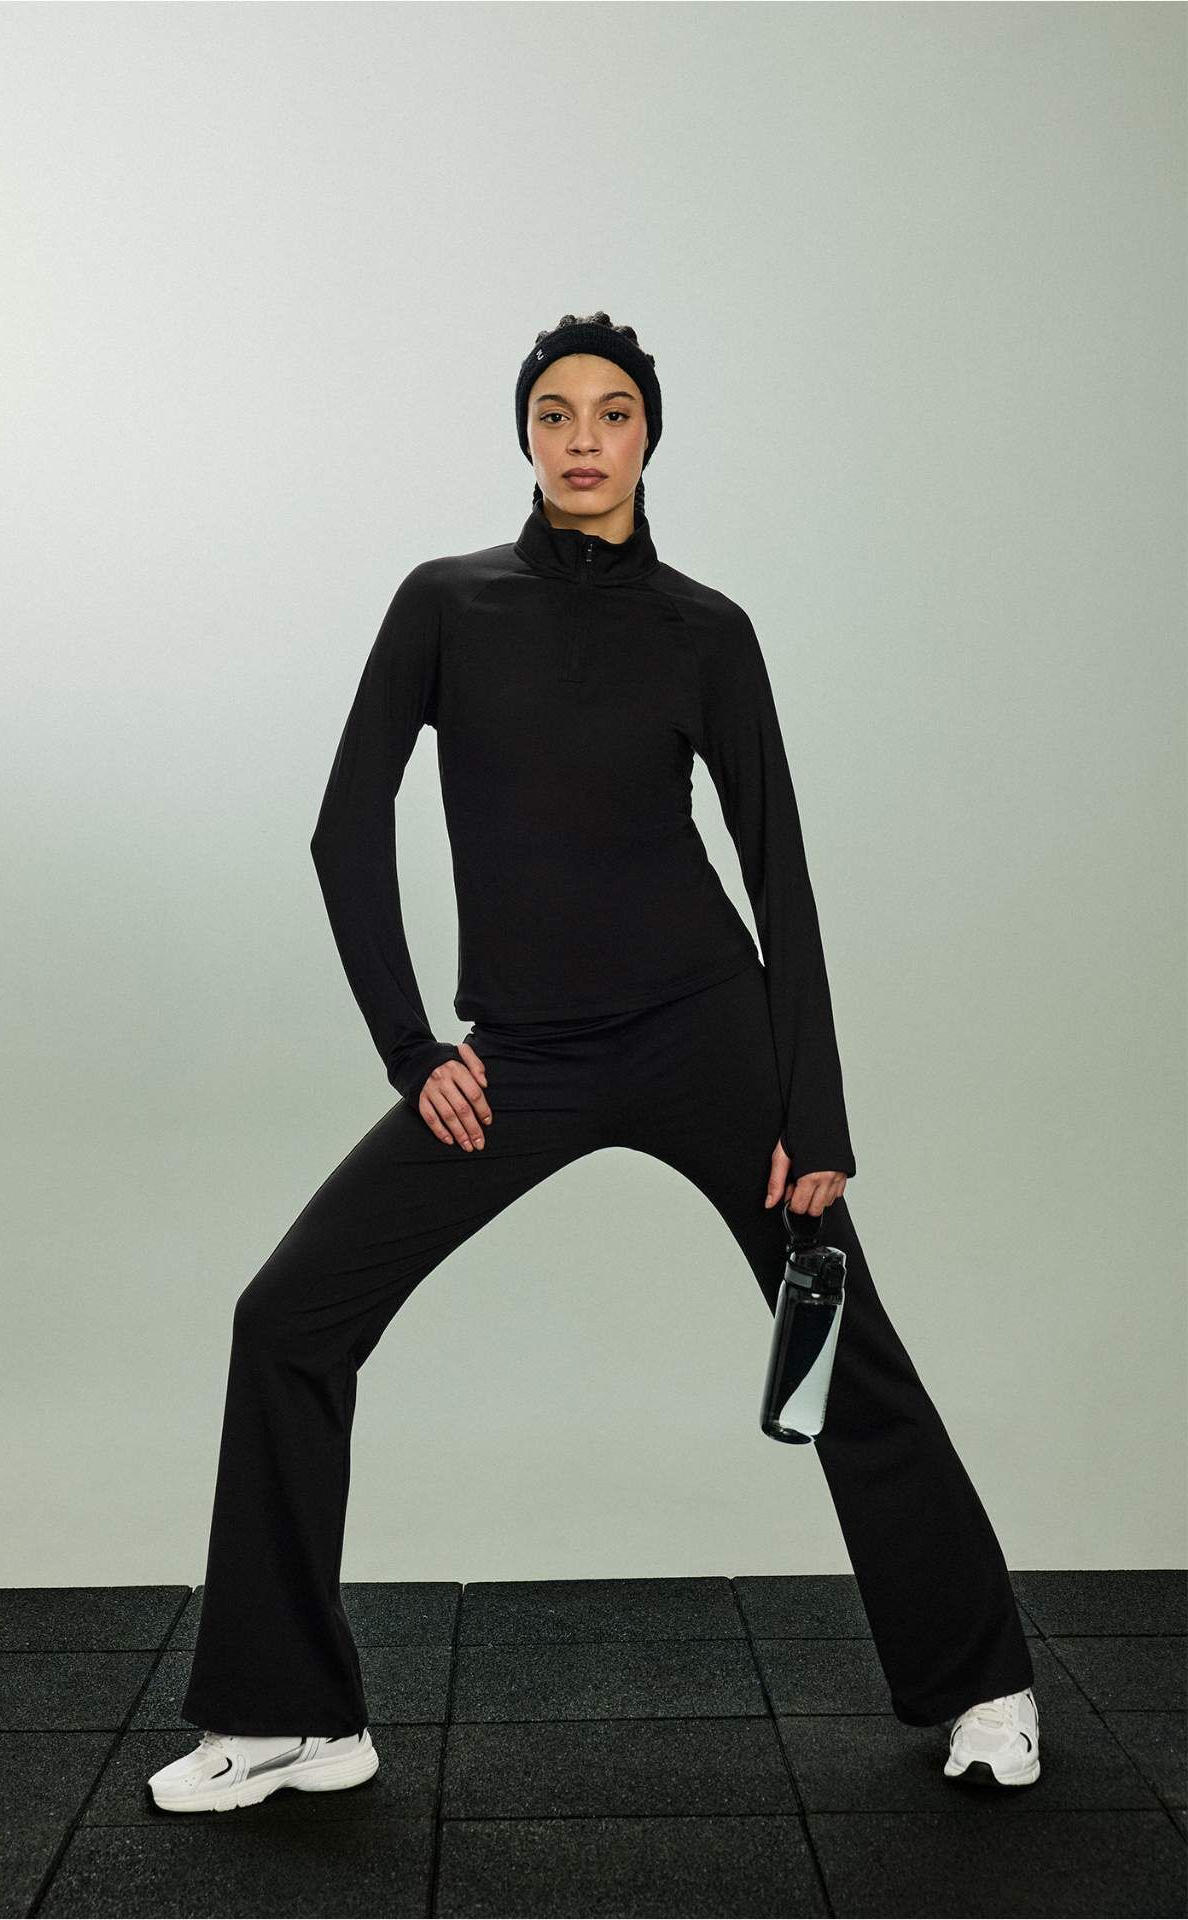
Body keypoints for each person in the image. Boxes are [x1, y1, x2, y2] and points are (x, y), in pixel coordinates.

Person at [148, 312, 1039, 1815]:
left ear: (647, 437)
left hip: (707, 1033)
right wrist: (412, 1049)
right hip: (523, 1056)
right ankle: (289, 1716)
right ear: (525, 434)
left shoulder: (708, 630)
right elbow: (344, 826)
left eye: (612, 413)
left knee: (841, 1339)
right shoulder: (446, 604)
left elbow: (778, 869)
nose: (582, 438)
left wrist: (814, 1109)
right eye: (555, 412)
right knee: (288, 1318)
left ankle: (986, 1686)